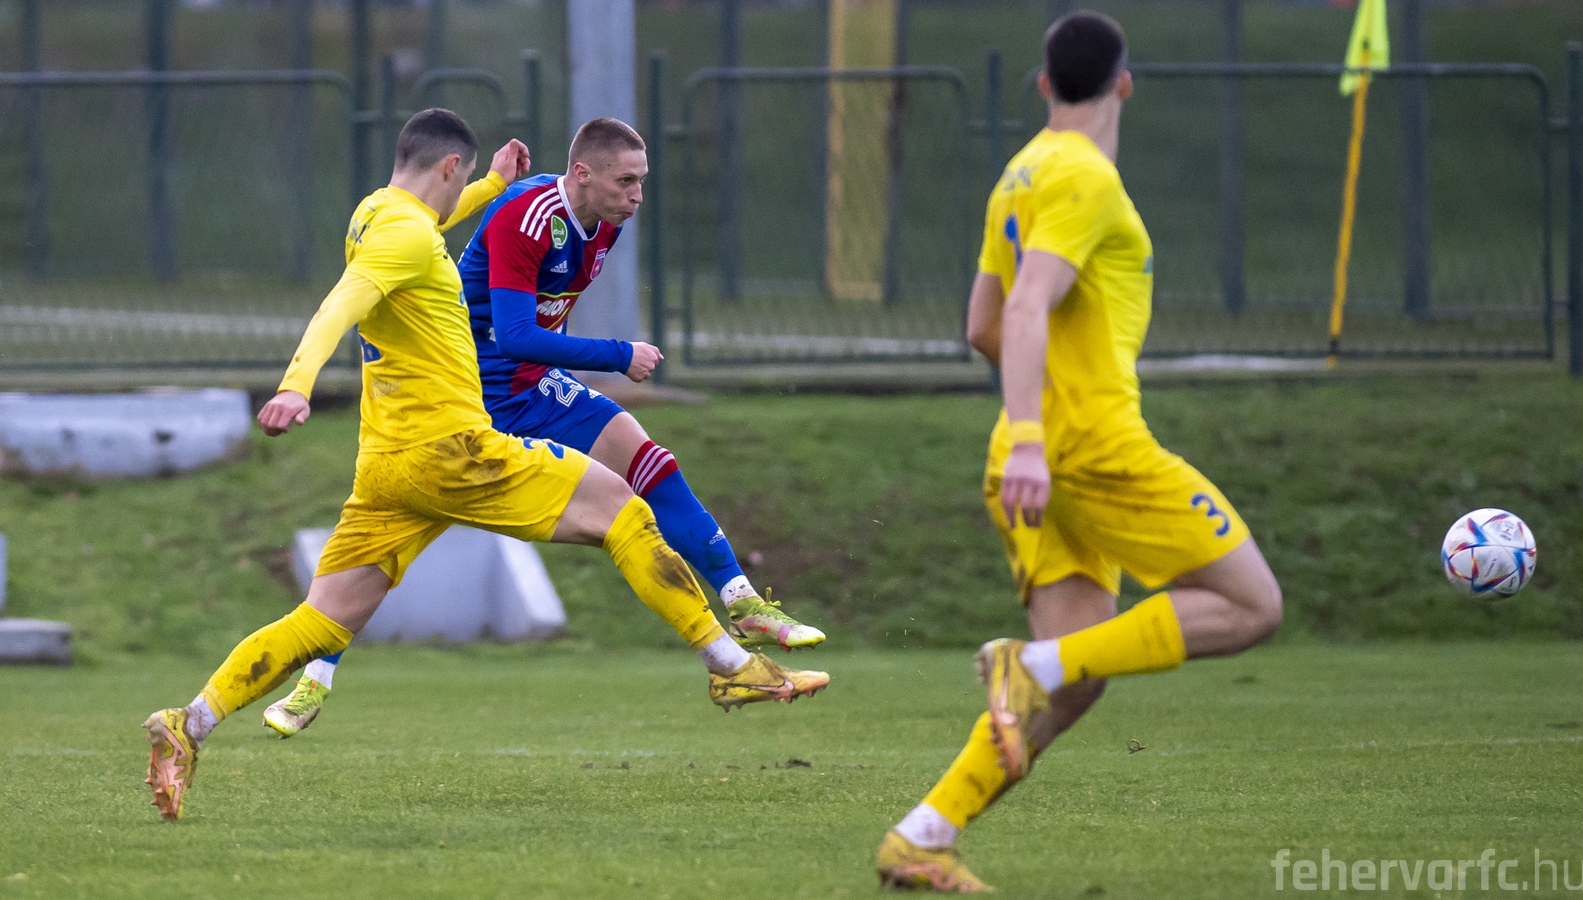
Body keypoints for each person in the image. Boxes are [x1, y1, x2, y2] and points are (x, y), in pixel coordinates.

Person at [142, 108, 828, 822]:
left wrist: (491, 185)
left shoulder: (374, 213)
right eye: (464, 179)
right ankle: (730, 667)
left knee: (321, 620)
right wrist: (295, 384)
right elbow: (340, 304)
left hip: (386, 465)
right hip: (453, 450)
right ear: (448, 166)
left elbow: (427, 223)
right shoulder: (409, 237)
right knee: (623, 510)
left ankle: (190, 724)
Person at [873, 13, 1282, 891]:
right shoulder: (1086, 176)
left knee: (1077, 682)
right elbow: (1022, 310)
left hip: (1034, 457)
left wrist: (1033, 421)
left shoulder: (1019, 173)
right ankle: (1031, 663)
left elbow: (980, 324)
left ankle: (923, 835)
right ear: (1125, 84)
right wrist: (1042, 434)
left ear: (1043, 84)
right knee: (1253, 606)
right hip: (1091, 448)